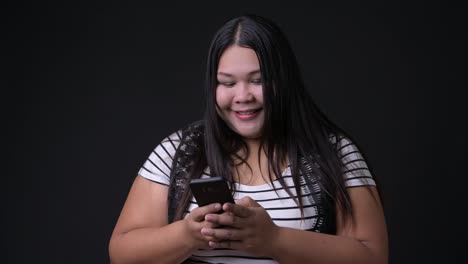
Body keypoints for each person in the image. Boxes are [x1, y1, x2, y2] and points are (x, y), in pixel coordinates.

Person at [109, 14, 388, 264]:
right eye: (228, 83)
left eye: (258, 80)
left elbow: (372, 257)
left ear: (284, 80)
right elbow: (121, 252)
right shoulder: (177, 151)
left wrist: (274, 240)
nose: (243, 97)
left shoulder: (336, 153)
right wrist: (188, 234)